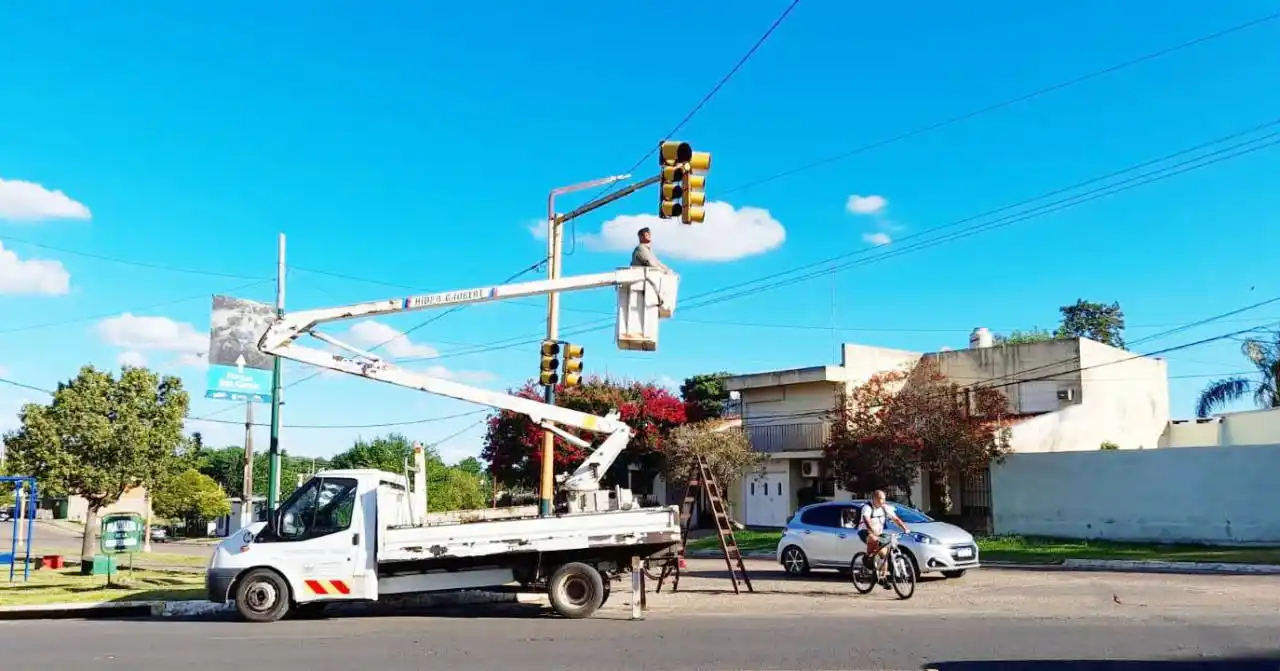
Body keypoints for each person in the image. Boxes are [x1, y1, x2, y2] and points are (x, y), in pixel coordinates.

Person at [857, 490, 910, 579]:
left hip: (879, 533)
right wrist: (871, 529)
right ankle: (867, 558)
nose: (883, 501)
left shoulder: (885, 508)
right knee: (873, 538)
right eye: (881, 499)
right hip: (865, 532)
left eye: (884, 499)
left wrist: (905, 528)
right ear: (874, 499)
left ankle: (883, 577)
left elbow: (895, 519)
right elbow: (866, 519)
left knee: (884, 553)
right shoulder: (867, 507)